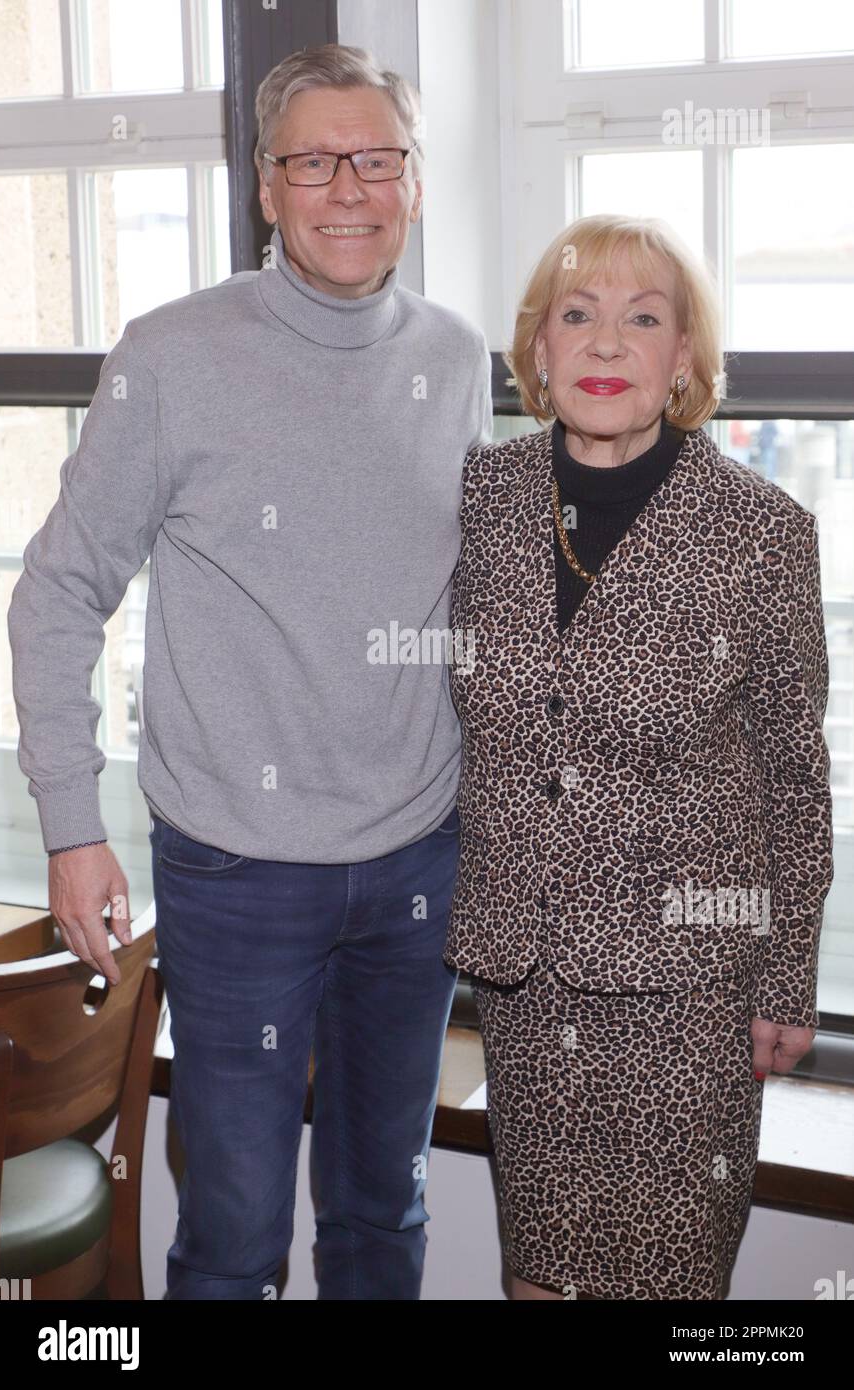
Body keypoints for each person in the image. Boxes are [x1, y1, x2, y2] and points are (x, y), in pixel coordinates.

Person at [7, 43, 492, 1300]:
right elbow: (58, 590)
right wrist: (72, 826)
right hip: (233, 872)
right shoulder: (172, 356)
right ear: (266, 192)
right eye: (312, 161)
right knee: (229, 1238)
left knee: (382, 1211)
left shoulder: (456, 359)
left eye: (375, 157)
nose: (347, 187)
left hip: (418, 863)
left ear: (413, 183)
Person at [444, 214, 834, 1301]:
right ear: (537, 354)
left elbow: (795, 779)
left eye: (641, 318)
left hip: (691, 993)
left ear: (681, 364)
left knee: (666, 1283)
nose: (605, 344)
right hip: (529, 985)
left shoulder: (760, 531)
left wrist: (787, 976)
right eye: (577, 316)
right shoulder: (481, 501)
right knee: (538, 1270)